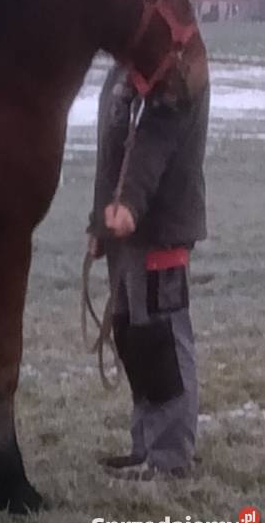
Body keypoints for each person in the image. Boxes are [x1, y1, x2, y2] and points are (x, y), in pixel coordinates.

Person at [88, 63, 209, 479]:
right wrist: (99, 224)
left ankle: (170, 457)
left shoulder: (177, 68)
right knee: (135, 337)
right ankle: (147, 447)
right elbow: (112, 151)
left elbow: (153, 144)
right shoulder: (127, 68)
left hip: (160, 226)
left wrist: (129, 209)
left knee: (163, 339)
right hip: (126, 229)